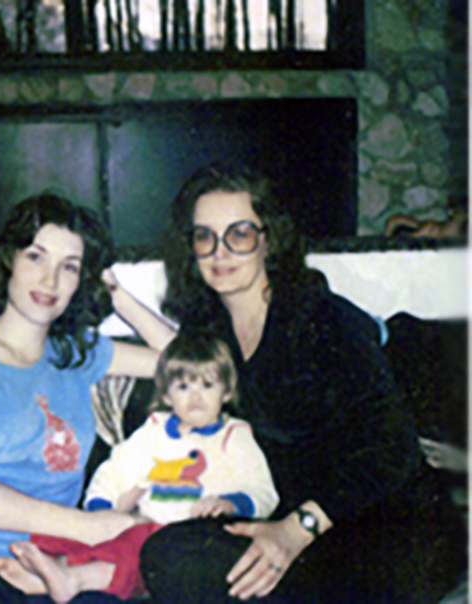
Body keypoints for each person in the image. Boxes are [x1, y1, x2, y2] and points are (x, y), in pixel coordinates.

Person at [104, 163, 466, 604]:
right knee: (167, 554)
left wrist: (298, 529)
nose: (220, 252)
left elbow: (393, 449)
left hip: (382, 522)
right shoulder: (211, 329)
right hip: (287, 525)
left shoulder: (323, 318)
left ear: (269, 239)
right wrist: (116, 304)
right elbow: (179, 362)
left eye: (239, 234)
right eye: (205, 237)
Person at [0, 193, 163, 603]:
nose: (50, 280)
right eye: (36, 257)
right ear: (9, 259)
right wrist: (86, 526)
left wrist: (118, 296)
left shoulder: (77, 353)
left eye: (69, 267)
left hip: (47, 568)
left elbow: (194, 364)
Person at [0, 332, 279, 602]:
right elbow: (116, 470)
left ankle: (72, 579)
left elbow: (262, 490)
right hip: (142, 523)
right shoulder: (153, 431)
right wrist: (102, 507)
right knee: (86, 535)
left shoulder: (234, 437)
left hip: (192, 540)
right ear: (166, 395)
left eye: (207, 385)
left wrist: (231, 504)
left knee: (132, 552)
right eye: (183, 387)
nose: (195, 397)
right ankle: (46, 576)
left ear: (226, 391)